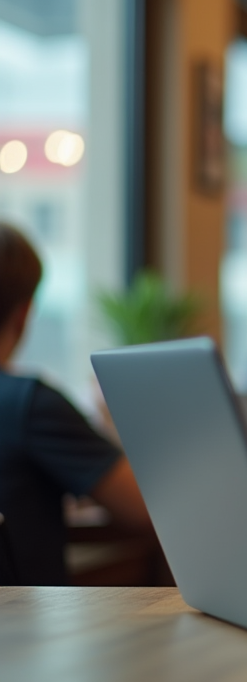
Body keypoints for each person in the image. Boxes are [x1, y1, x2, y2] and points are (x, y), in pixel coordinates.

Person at [0, 223, 152, 585]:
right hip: (23, 630)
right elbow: (147, 511)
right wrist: (115, 428)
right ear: (25, 314)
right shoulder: (30, 404)